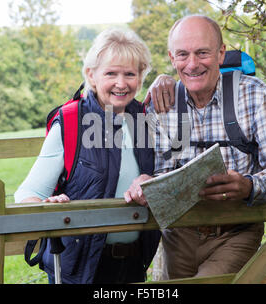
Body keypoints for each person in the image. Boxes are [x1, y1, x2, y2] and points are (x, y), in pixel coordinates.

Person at [124, 15, 266, 279]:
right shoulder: (163, 104)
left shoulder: (252, 94)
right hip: (179, 235)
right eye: (182, 55)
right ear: (172, 59)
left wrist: (251, 185)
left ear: (220, 53)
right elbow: (163, 171)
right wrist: (147, 183)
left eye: (202, 53)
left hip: (236, 232)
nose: (192, 64)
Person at [14, 28, 161, 284]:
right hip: (78, 271)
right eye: (111, 73)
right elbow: (27, 194)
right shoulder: (72, 122)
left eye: (130, 74)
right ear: (92, 75)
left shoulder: (147, 120)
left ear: (141, 76)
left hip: (133, 267)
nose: (121, 83)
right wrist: (47, 206)